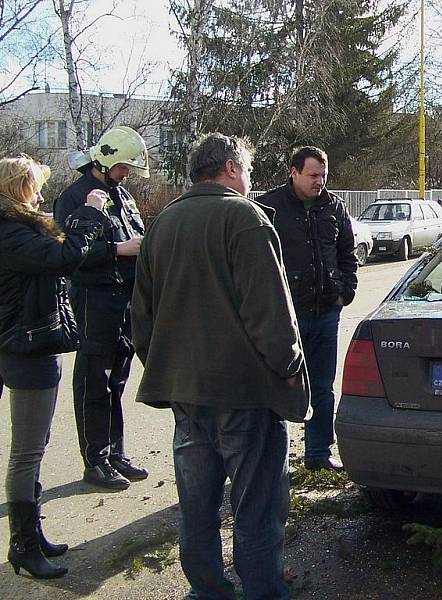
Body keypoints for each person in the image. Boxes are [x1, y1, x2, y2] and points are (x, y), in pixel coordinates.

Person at [132, 133, 309, 599]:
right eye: (247, 169)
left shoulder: (163, 223)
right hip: (245, 394)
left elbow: (142, 319)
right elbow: (270, 312)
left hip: (187, 394)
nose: (250, 178)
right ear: (231, 168)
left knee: (197, 507)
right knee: (256, 509)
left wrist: (167, 368)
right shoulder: (244, 218)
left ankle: (208, 591)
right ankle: (263, 593)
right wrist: (289, 366)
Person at [0, 155, 112, 578]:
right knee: (27, 451)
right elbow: (66, 257)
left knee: (36, 445)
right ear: (18, 189)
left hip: (26, 342)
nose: (43, 196)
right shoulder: (11, 233)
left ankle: (33, 533)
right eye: (35, 187)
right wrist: (89, 213)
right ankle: (23, 545)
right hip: (26, 345)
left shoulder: (15, 229)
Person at [54, 126, 148, 490]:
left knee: (117, 379)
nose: (127, 174)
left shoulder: (120, 195)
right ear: (106, 160)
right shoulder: (74, 198)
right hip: (94, 297)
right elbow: (69, 255)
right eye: (123, 166)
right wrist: (118, 250)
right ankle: (95, 460)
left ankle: (115, 453)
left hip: (124, 296)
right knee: (95, 379)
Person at [258, 146, 357, 471]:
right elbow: (258, 259)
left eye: (323, 176)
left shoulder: (334, 207)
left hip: (326, 311)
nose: (320, 182)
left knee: (322, 386)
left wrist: (345, 291)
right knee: (281, 386)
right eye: (313, 175)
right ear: (294, 172)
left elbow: (347, 253)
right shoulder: (270, 207)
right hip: (286, 314)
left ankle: (319, 453)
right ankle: (276, 460)